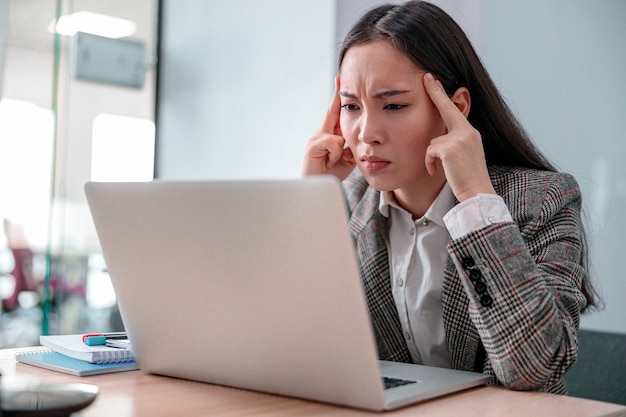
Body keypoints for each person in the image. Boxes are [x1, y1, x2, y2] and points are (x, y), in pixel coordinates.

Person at [302, 1, 599, 394]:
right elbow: (295, 353)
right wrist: (309, 205)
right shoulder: (349, 200)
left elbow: (534, 369)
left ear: (454, 108)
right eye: (351, 107)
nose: (366, 132)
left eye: (394, 105)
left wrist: (477, 204)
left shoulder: (541, 199)